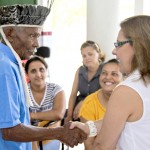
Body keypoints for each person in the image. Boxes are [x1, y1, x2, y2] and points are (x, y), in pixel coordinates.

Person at [0, 4, 87, 150]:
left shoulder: (10, 62)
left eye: (38, 36)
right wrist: (59, 132)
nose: (36, 44)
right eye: (32, 35)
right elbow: (10, 131)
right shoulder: (4, 67)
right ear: (9, 33)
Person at [70, 15, 150, 150]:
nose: (114, 51)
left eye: (118, 44)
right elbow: (125, 121)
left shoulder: (127, 90)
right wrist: (89, 128)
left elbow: (102, 146)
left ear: (136, 45)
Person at [79, 59, 122, 150]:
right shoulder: (89, 103)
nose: (107, 77)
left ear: (124, 78)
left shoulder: (131, 100)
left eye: (114, 74)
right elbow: (89, 145)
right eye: (104, 73)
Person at [25, 56, 66, 150]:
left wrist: (32, 115)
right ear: (27, 74)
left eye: (41, 70)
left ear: (46, 71)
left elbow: (58, 114)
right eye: (33, 71)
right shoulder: (23, 91)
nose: (38, 74)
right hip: (27, 137)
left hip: (50, 135)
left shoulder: (56, 89)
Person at [65, 40, 105, 122]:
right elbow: (73, 94)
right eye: (84, 56)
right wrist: (69, 116)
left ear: (99, 54)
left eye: (90, 54)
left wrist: (84, 102)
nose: (87, 58)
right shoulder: (80, 70)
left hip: (97, 109)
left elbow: (104, 93)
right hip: (77, 109)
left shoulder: (105, 69)